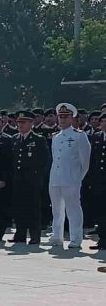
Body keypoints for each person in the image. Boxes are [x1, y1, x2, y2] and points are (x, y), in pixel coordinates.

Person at [47, 103, 91, 249]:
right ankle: (57, 236)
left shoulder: (79, 136)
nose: (63, 120)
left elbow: (85, 162)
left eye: (66, 117)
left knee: (73, 208)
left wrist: (78, 177)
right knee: (56, 209)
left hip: (71, 178)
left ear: (72, 118)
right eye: (60, 117)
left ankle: (76, 238)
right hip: (56, 177)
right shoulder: (56, 136)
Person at [9, 111, 50, 245]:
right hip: (17, 180)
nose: (20, 125)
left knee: (33, 209)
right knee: (19, 207)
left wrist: (39, 177)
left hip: (33, 180)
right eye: (19, 122)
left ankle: (34, 235)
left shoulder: (38, 139)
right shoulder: (15, 139)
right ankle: (20, 234)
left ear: (31, 124)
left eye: (24, 122)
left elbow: (45, 160)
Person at [90, 113, 106, 250]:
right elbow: (92, 159)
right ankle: (102, 240)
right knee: (101, 211)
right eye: (103, 121)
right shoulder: (96, 137)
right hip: (99, 181)